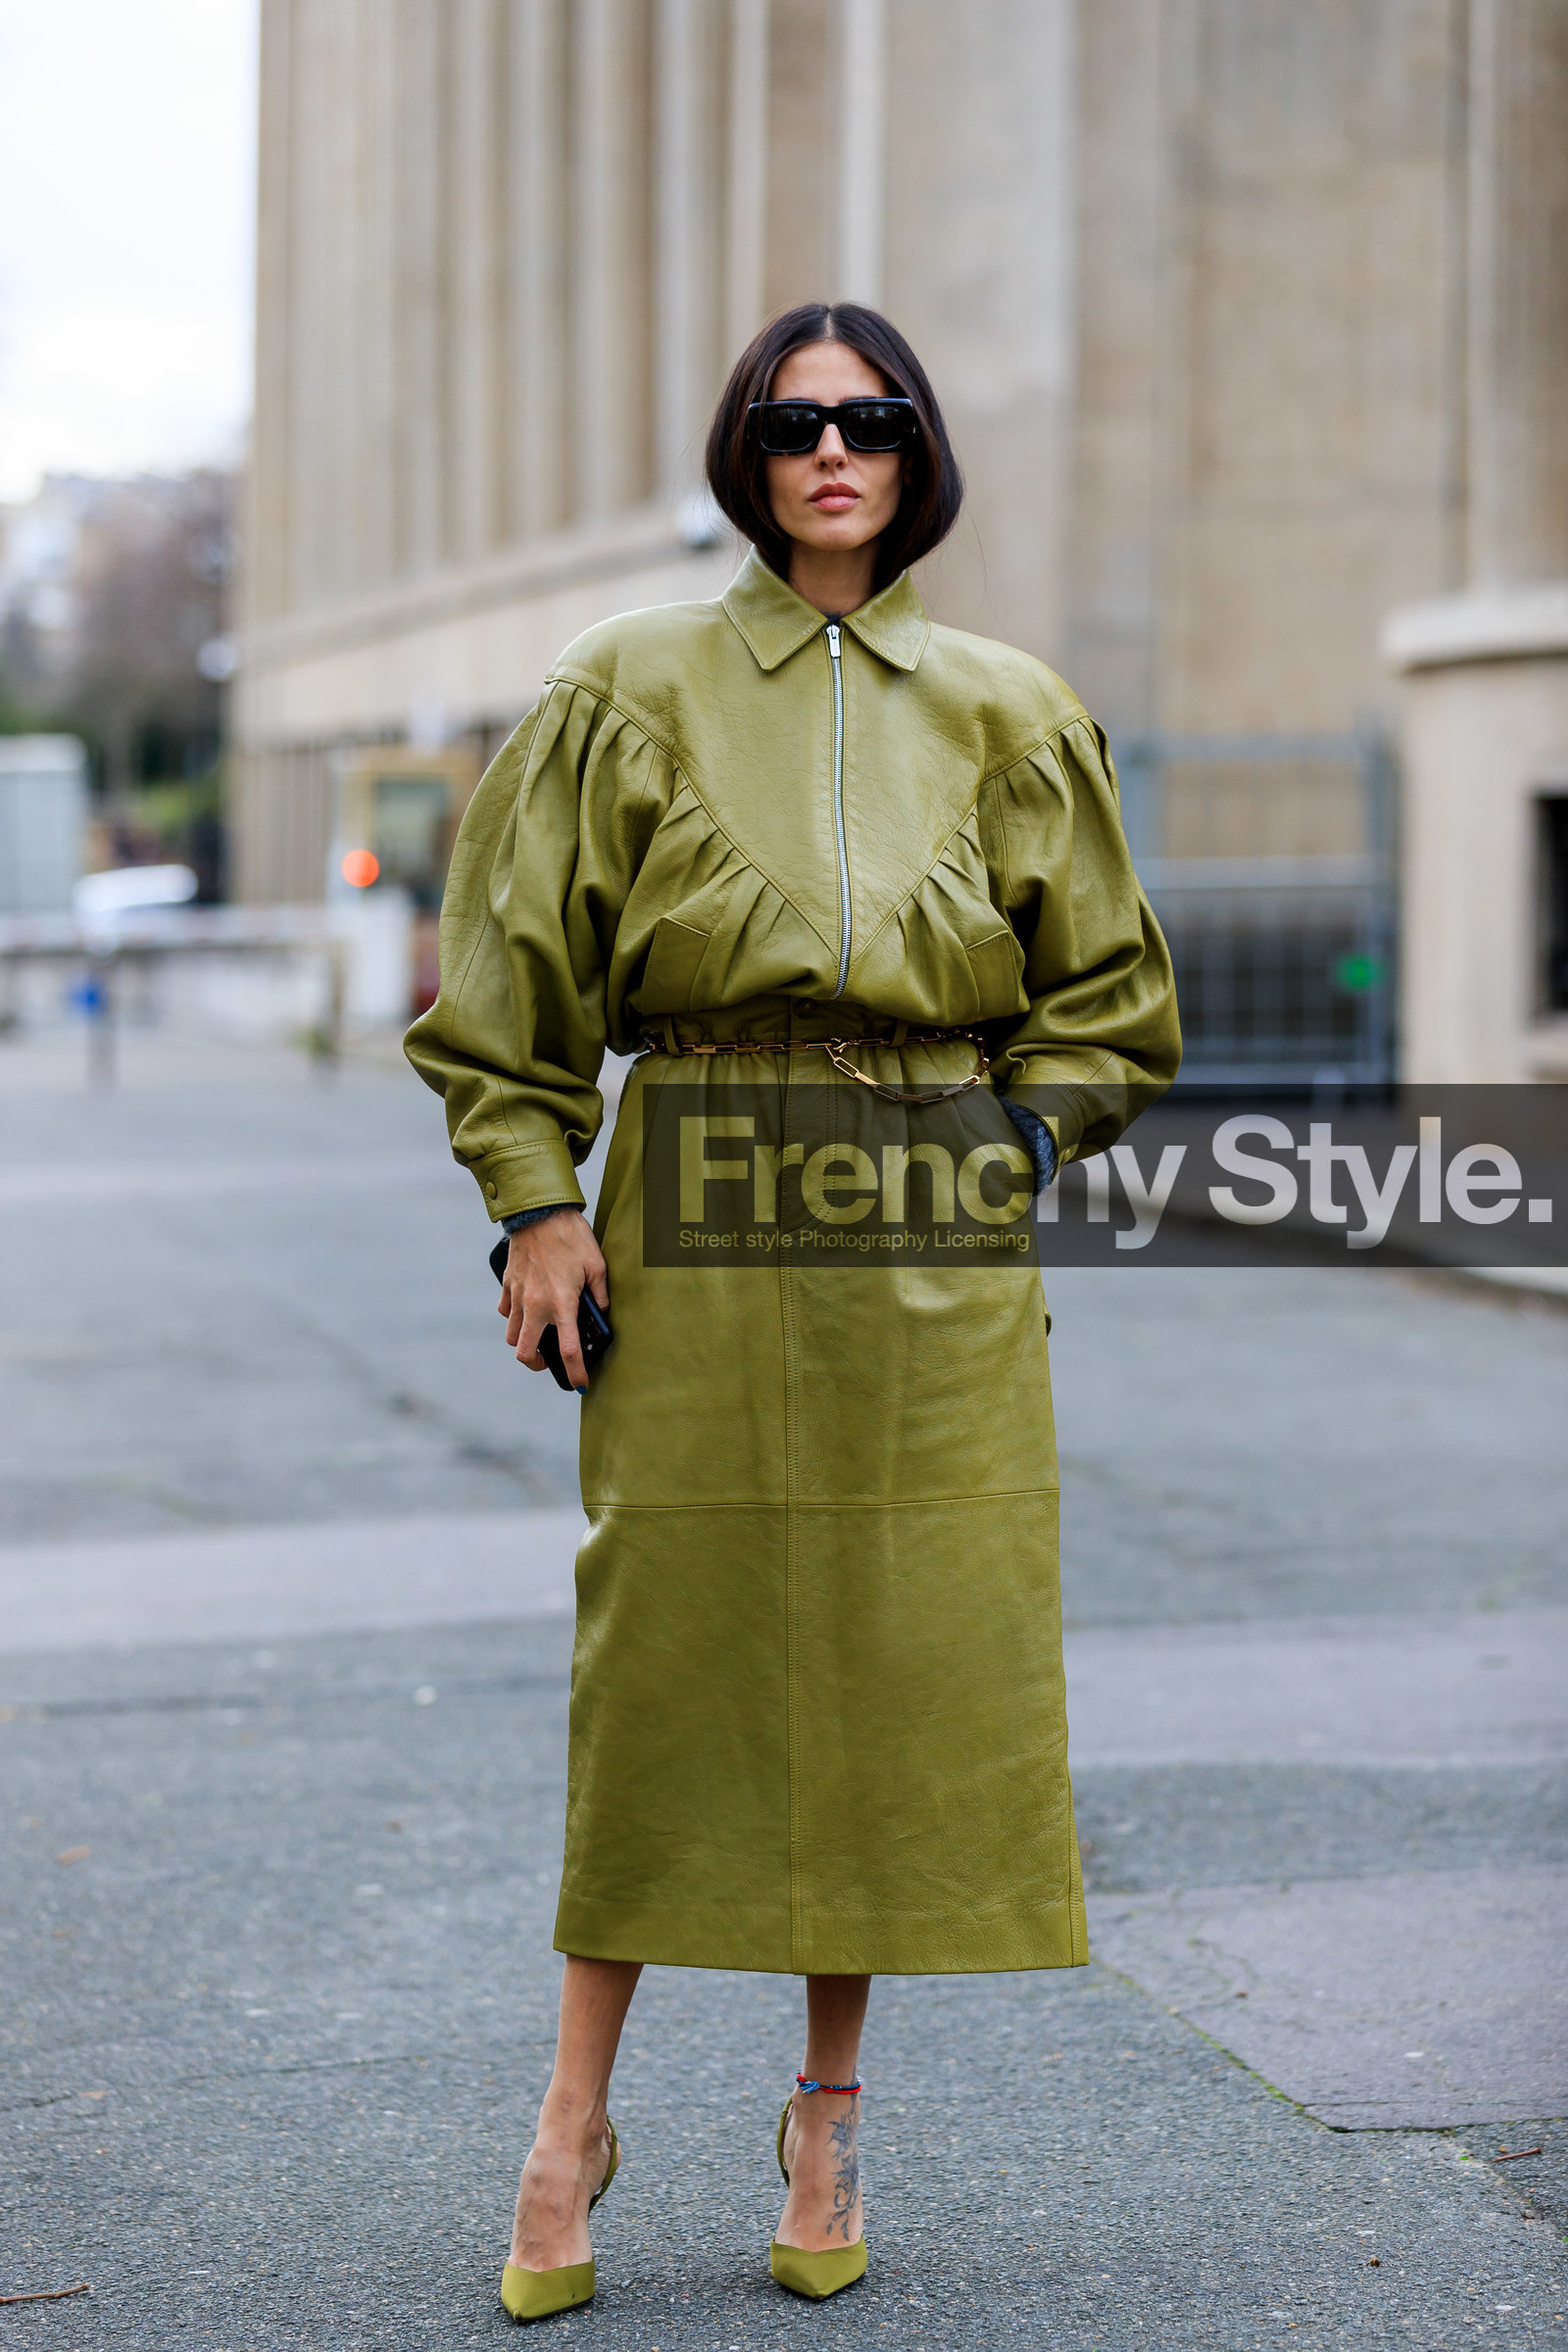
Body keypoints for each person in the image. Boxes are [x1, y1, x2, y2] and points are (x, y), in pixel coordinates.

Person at [406, 301, 1180, 2323]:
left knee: (893, 1666)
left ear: (919, 455)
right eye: (792, 422)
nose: (833, 451)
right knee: (662, 1660)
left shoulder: (1009, 707)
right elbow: (506, 985)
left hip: (926, 1223)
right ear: (741, 457)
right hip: (692, 1193)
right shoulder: (623, 682)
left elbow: (1110, 998)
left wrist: (1007, 1147)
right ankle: (570, 2121)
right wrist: (534, 1207)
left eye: (871, 419)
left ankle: (827, 2115)